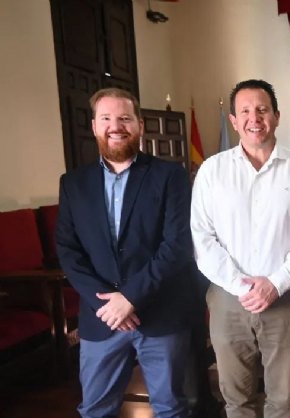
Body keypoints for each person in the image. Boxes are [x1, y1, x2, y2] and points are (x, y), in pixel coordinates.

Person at [56, 87, 198, 417]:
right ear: (94, 126)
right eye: (106, 118)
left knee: (171, 408)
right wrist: (106, 303)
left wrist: (130, 297)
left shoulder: (170, 176)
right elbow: (68, 250)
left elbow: (177, 245)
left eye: (124, 118)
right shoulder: (73, 183)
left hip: (160, 313)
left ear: (140, 124)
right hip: (101, 317)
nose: (115, 126)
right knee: (95, 410)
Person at [190, 79, 290, 418]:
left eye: (263, 110)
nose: (255, 118)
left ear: (277, 116)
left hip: (285, 297)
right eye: (245, 111)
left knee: (283, 398)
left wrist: (275, 283)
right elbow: (201, 237)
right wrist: (242, 286)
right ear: (234, 121)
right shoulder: (211, 171)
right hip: (227, 300)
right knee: (236, 398)